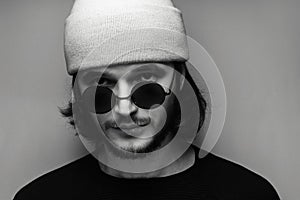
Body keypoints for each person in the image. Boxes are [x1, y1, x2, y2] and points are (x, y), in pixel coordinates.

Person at [13, 0, 280, 199]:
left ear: (180, 83)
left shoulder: (249, 194)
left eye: (146, 87)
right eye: (101, 89)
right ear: (77, 96)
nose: (124, 109)